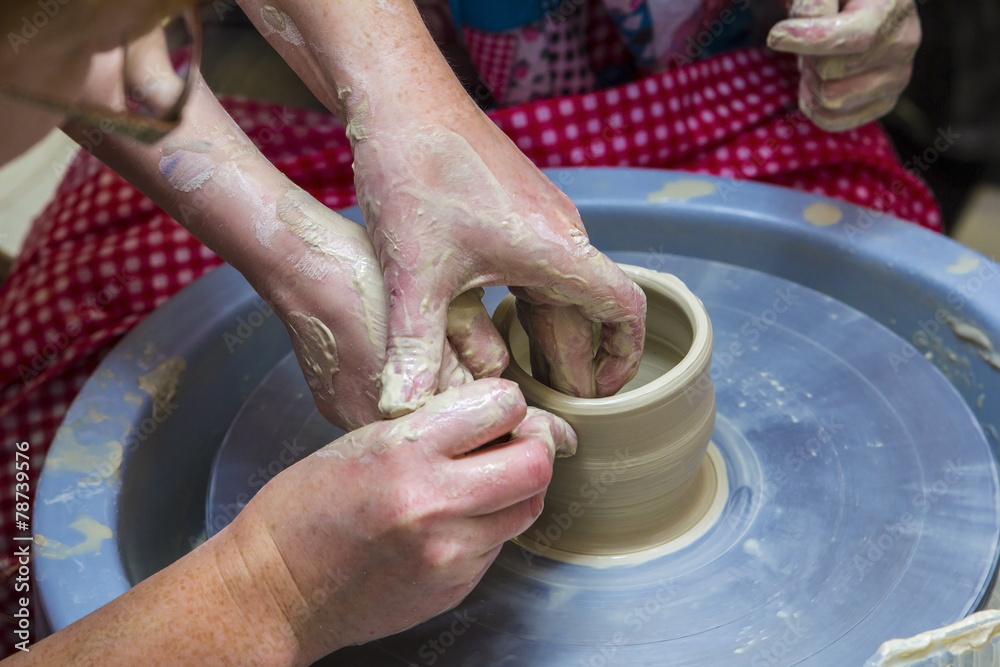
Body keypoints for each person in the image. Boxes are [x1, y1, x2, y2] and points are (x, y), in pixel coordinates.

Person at [0, 0, 927, 661]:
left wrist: (404, 128)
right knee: (50, 413)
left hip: (680, 86)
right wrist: (273, 589)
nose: (152, 41)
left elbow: (108, 48)